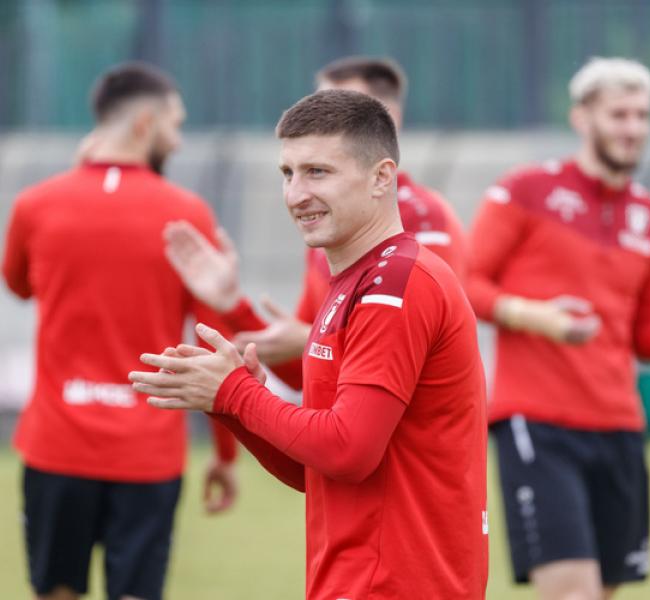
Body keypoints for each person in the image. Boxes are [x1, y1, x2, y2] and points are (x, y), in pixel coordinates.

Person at [129, 89, 489, 599]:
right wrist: (230, 403)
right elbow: (315, 470)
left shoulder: (395, 285)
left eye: (317, 172)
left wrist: (236, 394)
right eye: (287, 173)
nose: (296, 194)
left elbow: (348, 451)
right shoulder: (356, 281)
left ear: (381, 177)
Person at [2, 62, 238, 600]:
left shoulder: (36, 204)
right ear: (144, 124)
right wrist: (225, 455)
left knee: (55, 591)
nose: (178, 140)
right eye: (175, 124)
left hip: (56, 444)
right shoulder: (188, 215)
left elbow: (18, 284)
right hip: (147, 452)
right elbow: (215, 339)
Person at [466, 57, 650, 599]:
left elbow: (647, 339)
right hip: (538, 424)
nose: (633, 128)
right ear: (582, 117)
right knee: (573, 595)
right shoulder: (525, 190)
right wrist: (534, 316)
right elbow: (465, 282)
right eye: (619, 114)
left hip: (620, 428)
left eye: (641, 115)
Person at [162, 56, 468, 376]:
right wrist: (233, 305)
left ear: (387, 119)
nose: (322, 118)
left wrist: (237, 391)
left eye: (342, 105)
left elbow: (416, 340)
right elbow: (308, 374)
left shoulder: (424, 218)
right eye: (318, 103)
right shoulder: (331, 222)